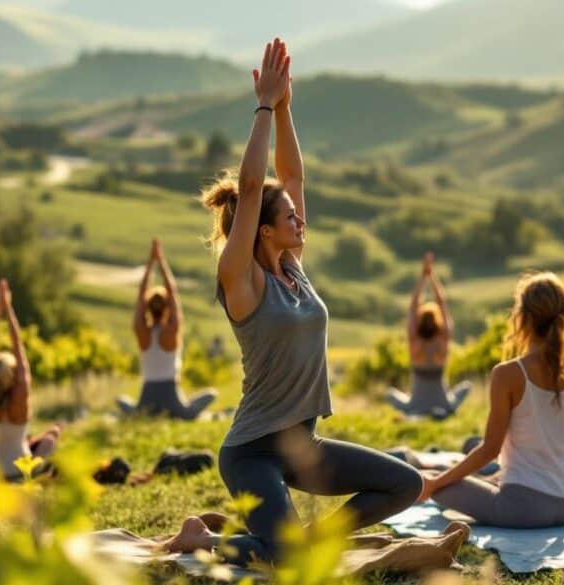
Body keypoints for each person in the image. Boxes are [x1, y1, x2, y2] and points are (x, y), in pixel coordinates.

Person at [163, 38, 423, 565]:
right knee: (283, 563)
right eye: (289, 218)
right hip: (252, 452)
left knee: (405, 484)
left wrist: (285, 110)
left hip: (304, 447)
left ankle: (306, 541)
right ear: (261, 231)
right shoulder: (242, 282)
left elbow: (293, 177)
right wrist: (262, 108)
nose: (300, 221)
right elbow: (255, 184)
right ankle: (206, 539)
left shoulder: (293, 269)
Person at [417, 272, 564, 528]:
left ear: (521, 318)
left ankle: (439, 482)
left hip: (523, 510)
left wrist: (437, 482)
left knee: (435, 482)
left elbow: (490, 450)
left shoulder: (507, 374)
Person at [117, 238, 217, 420]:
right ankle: (179, 407)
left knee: (122, 402)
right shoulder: (172, 331)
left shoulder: (142, 331)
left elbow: (141, 294)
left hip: (146, 398)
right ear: (167, 309)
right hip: (172, 398)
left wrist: (150, 262)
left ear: (148, 308)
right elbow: (173, 293)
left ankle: (137, 410)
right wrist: (161, 261)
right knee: (209, 395)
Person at [0, 279, 60, 480]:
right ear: (15, 374)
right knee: (52, 436)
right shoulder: (21, 395)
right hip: (19, 472)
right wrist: (9, 309)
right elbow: (19, 348)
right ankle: (40, 473)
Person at [387, 252, 470, 419]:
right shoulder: (443, 341)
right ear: (437, 321)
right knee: (466, 386)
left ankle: (418, 413)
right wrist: (431, 277)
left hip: (414, 405)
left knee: (390, 393)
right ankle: (443, 411)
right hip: (443, 403)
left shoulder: (414, 342)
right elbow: (442, 303)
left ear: (418, 322)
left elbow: (413, 305)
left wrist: (423, 275)